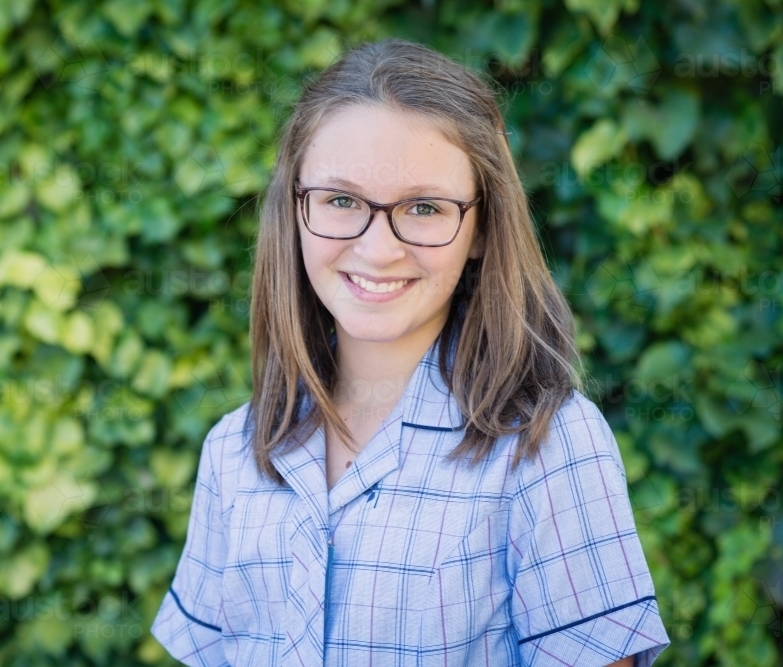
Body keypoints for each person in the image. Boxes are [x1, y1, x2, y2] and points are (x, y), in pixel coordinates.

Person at [151, 38, 671, 666]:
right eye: (341, 201)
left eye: (424, 208)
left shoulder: (547, 447)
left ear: (480, 230)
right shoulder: (235, 451)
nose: (378, 249)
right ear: (295, 211)